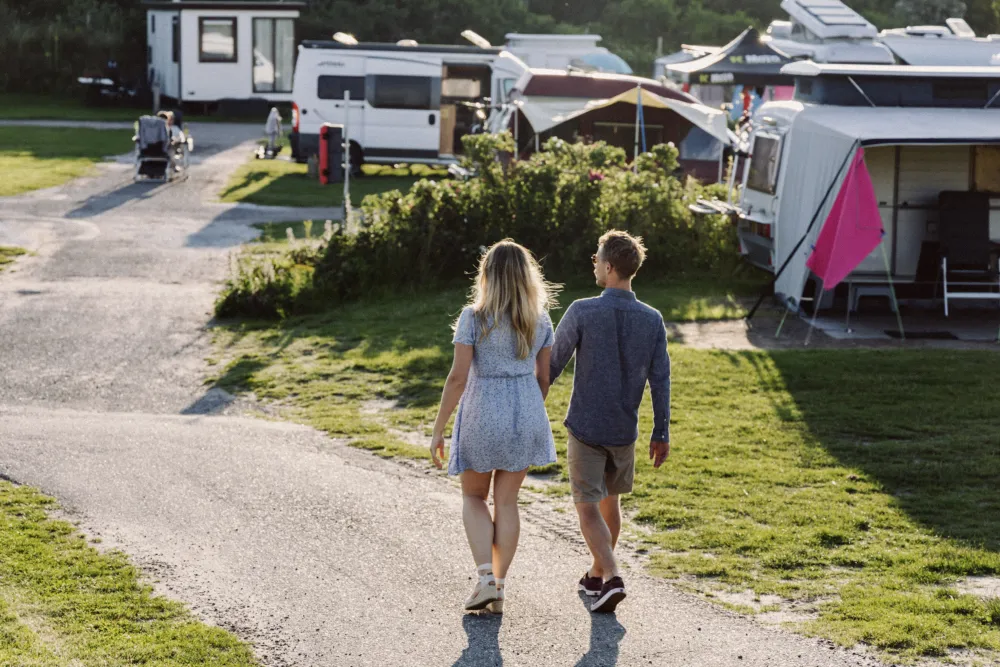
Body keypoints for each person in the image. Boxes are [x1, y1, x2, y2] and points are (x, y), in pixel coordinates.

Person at [430, 240, 560, 614]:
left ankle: (486, 578)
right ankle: (499, 589)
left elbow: (457, 378)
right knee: (507, 501)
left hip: (483, 410)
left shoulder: (474, 316)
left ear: (486, 275)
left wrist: (439, 427)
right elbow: (545, 379)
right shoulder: (541, 319)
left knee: (473, 497)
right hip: (526, 410)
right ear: (527, 277)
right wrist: (530, 412)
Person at [549, 230, 671, 613]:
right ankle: (596, 576)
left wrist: (532, 405)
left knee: (587, 506)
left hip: (585, 427)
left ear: (610, 267)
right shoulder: (652, 319)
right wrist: (661, 430)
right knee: (609, 503)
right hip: (624, 430)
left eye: (597, 258)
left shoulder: (582, 310)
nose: (594, 263)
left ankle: (613, 575)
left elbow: (552, 365)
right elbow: (661, 378)